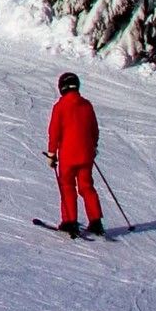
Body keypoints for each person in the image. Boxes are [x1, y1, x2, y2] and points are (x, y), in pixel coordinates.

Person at [47, 71, 103, 237]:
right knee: (87, 186)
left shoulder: (60, 107)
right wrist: (93, 146)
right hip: (86, 155)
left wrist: (51, 154)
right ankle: (96, 221)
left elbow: (54, 132)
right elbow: (94, 129)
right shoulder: (86, 105)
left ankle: (70, 221)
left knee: (67, 186)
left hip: (68, 156)